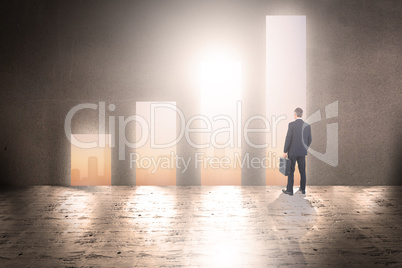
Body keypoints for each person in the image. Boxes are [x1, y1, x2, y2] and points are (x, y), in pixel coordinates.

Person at [282, 108, 312, 196]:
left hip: (292, 152)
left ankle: (290, 190)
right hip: (302, 152)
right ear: (301, 115)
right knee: (302, 171)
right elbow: (310, 139)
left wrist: (285, 151)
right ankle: (303, 189)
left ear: (295, 114)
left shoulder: (291, 125)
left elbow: (288, 138)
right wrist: (305, 148)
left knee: (291, 171)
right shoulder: (307, 125)